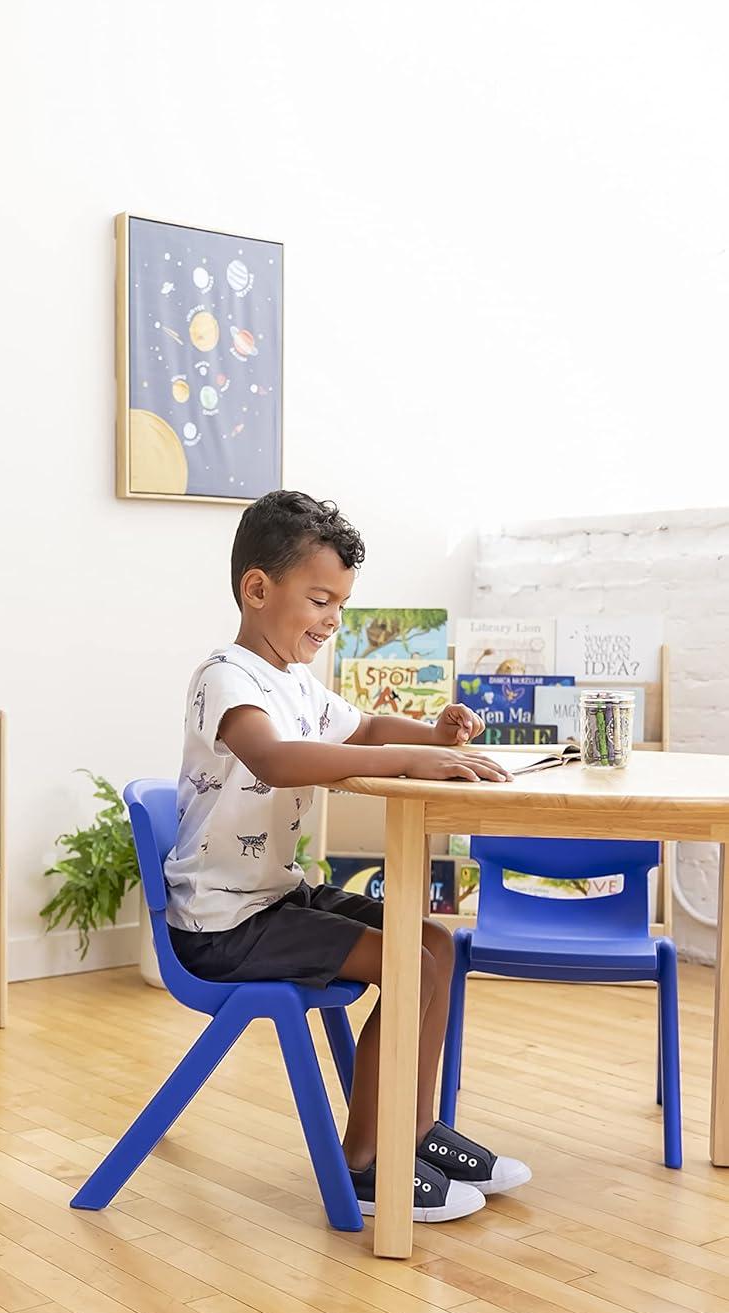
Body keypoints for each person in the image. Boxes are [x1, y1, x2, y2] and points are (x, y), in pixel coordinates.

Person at [166, 490, 531, 1223]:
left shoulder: (297, 681)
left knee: (433, 944)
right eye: (320, 599)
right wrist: (408, 760)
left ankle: (415, 1128)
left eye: (341, 604)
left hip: (275, 897)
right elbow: (274, 755)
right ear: (258, 589)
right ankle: (366, 1164)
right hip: (223, 924)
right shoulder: (226, 677)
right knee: (405, 958)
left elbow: (361, 729)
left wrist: (431, 736)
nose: (333, 620)